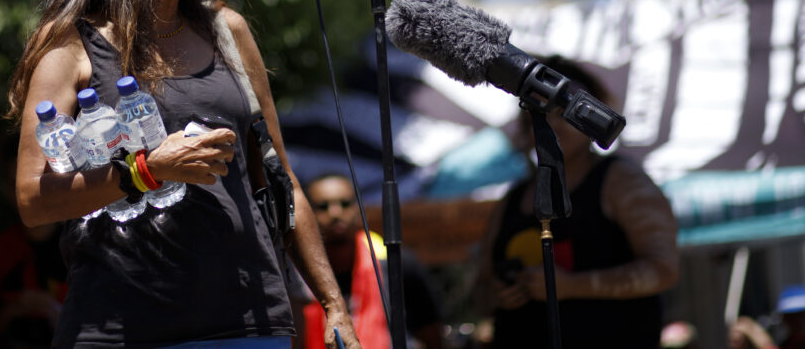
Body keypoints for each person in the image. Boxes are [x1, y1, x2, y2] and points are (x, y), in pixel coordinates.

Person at [6, 0, 360, 349]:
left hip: (247, 319)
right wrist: (149, 170)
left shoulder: (225, 30)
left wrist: (333, 304)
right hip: (121, 326)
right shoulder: (73, 45)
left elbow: (278, 177)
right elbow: (32, 200)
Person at [475, 55, 680, 349]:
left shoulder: (620, 180)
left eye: (565, 110)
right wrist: (497, 294)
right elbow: (480, 293)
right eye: (541, 110)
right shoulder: (513, 198)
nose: (554, 122)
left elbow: (664, 270)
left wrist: (572, 286)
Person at [302, 174, 444, 349]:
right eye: (322, 206)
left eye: (345, 204)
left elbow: (431, 333)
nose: (335, 213)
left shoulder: (396, 264)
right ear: (306, 214)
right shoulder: (295, 272)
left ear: (360, 210)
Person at [0, 136, 68, 349]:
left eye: (40, 180)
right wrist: (11, 313)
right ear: (6, 190)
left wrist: (58, 314)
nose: (31, 193)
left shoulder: (80, 248)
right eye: (19, 184)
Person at [729, 285, 805, 349]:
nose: (797, 321)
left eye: (800, 314)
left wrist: (762, 341)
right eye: (791, 316)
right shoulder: (787, 344)